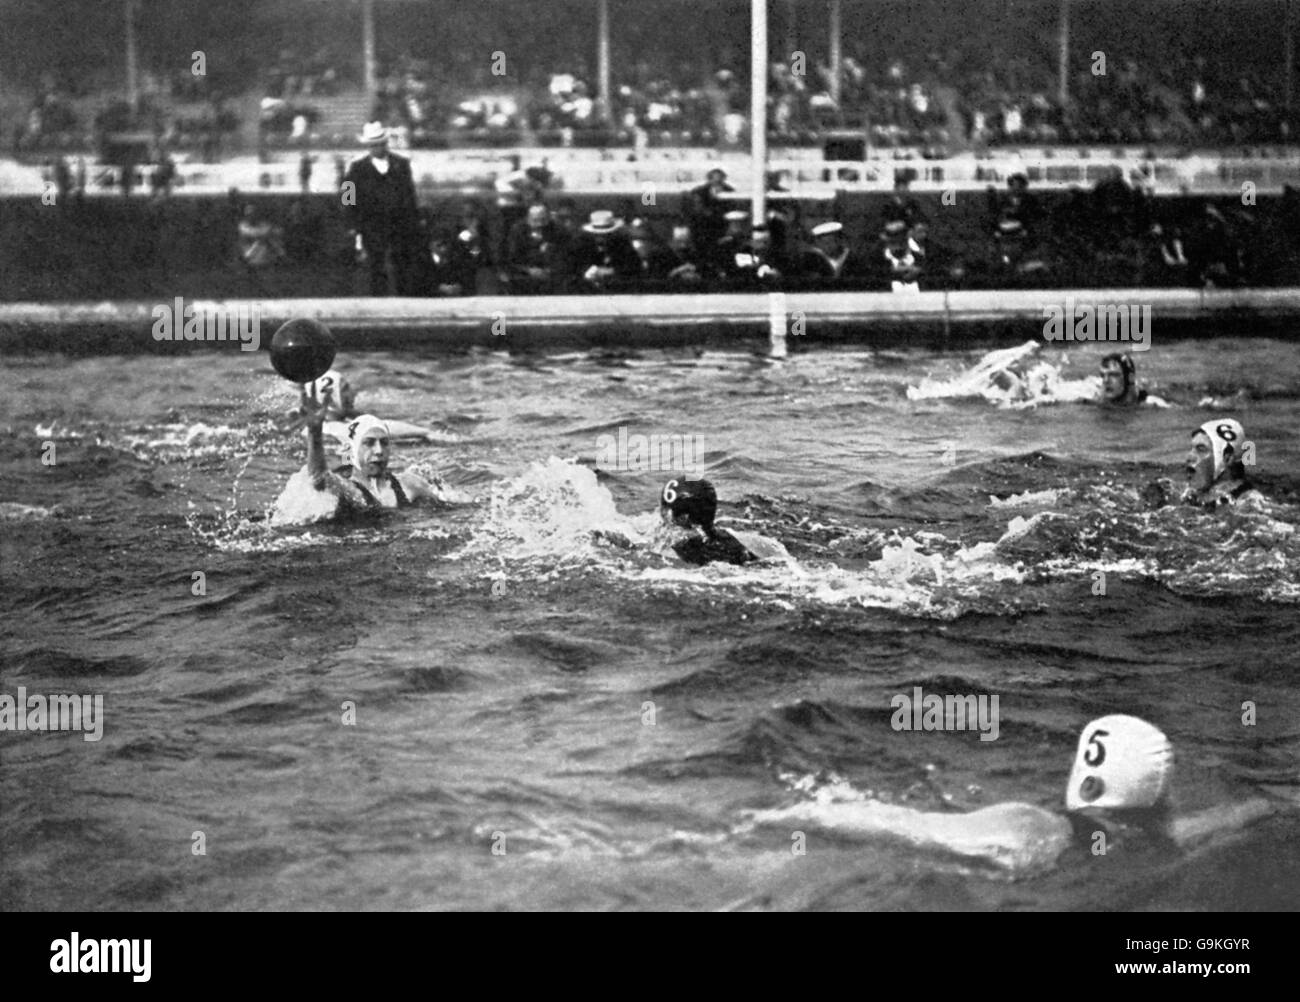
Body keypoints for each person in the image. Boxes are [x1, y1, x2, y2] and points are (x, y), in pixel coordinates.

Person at [747, 715, 1281, 874]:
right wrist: (1264, 806)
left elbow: (892, 825)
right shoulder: (1159, 845)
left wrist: (784, 817)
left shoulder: (1027, 829)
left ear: (1086, 779)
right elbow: (1229, 820)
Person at [273, 386, 444, 524]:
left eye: (384, 443)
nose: (378, 451)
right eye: (369, 443)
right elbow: (318, 478)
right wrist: (315, 433)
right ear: (353, 450)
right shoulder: (349, 489)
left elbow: (455, 503)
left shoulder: (409, 484)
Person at [342, 122, 421, 295]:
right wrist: (352, 224)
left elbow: (410, 194)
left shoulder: (401, 164)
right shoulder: (356, 168)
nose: (377, 148)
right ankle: (379, 296)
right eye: (373, 145)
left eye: (380, 143)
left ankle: (404, 296)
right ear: (368, 146)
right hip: (371, 224)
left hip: (398, 223)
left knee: (401, 261)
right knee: (376, 263)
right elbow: (347, 198)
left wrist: (412, 221)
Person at [659, 479, 785, 565]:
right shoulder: (729, 537)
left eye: (665, 508)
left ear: (684, 517)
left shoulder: (682, 549)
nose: (661, 513)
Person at [300, 369, 446, 442]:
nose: (353, 393)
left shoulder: (324, 424)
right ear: (330, 398)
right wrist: (426, 432)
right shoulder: (334, 429)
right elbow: (380, 427)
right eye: (344, 389)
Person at [1178, 419, 1262, 508]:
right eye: (1191, 449)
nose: (1189, 457)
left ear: (1227, 458)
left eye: (1201, 449)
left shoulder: (1250, 503)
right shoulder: (1192, 496)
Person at [1098, 352, 1168, 407]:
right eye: (1102, 375)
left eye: (1114, 375)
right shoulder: (1096, 397)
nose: (1105, 380)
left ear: (1130, 378)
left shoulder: (1153, 404)